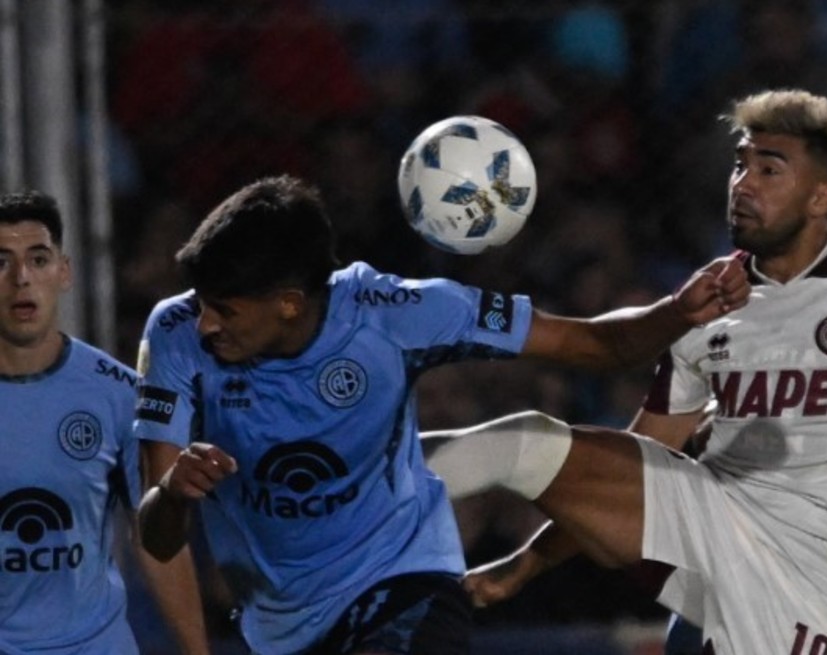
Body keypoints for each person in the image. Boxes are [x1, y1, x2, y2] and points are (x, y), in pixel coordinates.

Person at [132, 174, 748, 655]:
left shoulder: (397, 315)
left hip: (403, 581)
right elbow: (156, 537)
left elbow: (592, 344)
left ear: (290, 304)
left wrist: (676, 311)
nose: (205, 323)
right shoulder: (174, 334)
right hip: (277, 623)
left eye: (225, 309)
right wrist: (174, 494)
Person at [425, 89, 827, 655]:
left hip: (801, 586)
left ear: (822, 197)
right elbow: (638, 459)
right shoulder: (710, 300)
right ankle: (352, 478)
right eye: (740, 165)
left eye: (769, 170)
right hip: (714, 540)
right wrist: (526, 564)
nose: (743, 185)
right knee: (526, 443)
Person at [0, 190, 209, 653]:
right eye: (2, 262)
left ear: (64, 272)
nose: (21, 279)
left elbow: (156, 542)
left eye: (38, 259)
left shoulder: (117, 394)